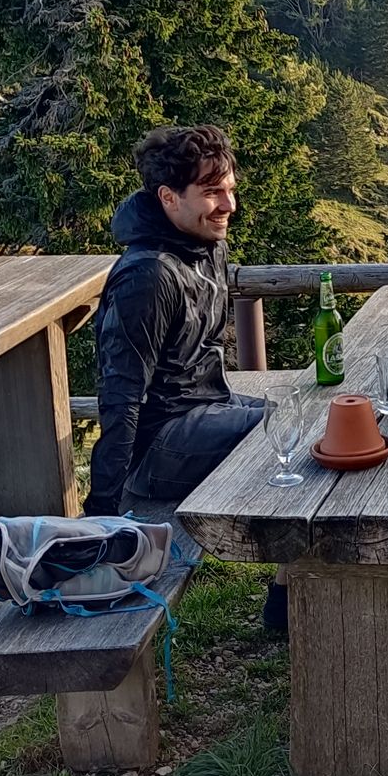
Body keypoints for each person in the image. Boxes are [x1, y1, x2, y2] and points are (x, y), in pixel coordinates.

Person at [88, 125, 264, 516]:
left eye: (230, 189)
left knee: (309, 413)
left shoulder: (206, 246)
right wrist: (102, 510)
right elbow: (121, 395)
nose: (229, 205)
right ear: (168, 197)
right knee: (286, 432)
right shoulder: (148, 276)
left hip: (208, 407)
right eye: (212, 192)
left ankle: (288, 577)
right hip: (158, 448)